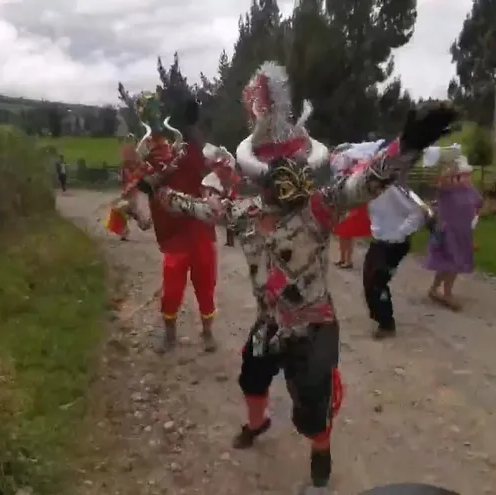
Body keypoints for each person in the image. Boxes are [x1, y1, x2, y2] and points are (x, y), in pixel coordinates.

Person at [144, 60, 458, 494]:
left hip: (313, 326)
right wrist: (158, 192)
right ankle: (258, 423)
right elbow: (197, 206)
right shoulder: (244, 214)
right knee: (251, 376)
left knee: (314, 401)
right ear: (262, 179)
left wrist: (407, 145)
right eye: (276, 172)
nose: (285, 178)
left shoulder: (320, 209)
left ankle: (320, 451)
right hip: (269, 322)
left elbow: (364, 183)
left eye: (292, 167)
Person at [131, 90, 220, 354]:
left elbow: (218, 182)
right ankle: (170, 335)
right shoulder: (161, 156)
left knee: (206, 283)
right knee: (172, 287)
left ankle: (207, 333)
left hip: (200, 230)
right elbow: (146, 185)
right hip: (176, 235)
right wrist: (161, 171)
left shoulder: (201, 153)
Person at [363, 166, 430, 340]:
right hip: (379, 241)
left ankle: (386, 323)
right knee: (369, 280)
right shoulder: (371, 191)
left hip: (394, 244)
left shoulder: (393, 191)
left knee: (378, 281)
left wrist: (399, 233)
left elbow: (419, 212)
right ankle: (379, 315)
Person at [422, 145, 482, 311]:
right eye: (463, 176)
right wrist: (450, 165)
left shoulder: (472, 192)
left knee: (449, 264)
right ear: (455, 177)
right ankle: (447, 294)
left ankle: (434, 289)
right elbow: (441, 182)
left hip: (463, 233)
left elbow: (478, 207)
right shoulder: (447, 191)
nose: (467, 179)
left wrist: (474, 224)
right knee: (452, 264)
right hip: (448, 233)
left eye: (469, 176)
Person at [330, 141, 382, 269]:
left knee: (347, 233)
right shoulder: (343, 172)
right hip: (343, 204)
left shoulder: (358, 170)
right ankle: (343, 258)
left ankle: (348, 260)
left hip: (351, 205)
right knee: (342, 233)